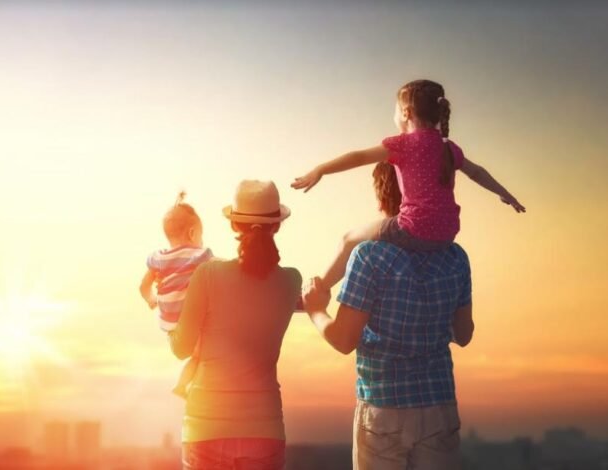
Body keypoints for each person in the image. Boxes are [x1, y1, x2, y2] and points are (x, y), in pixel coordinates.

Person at [301, 163, 473, 469]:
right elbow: (464, 334)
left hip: (383, 406)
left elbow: (343, 340)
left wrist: (315, 310)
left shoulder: (369, 255)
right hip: (440, 405)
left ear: (381, 200)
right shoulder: (455, 256)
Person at [292, 79, 524, 292]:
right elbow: (477, 172)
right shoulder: (448, 147)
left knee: (349, 239)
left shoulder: (403, 144)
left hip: (413, 228)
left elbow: (359, 157)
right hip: (447, 233)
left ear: (406, 112)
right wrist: (505, 194)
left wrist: (320, 169)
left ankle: (317, 290)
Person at [168, 180, 302, 470]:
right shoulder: (292, 281)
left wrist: (168, 319)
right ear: (276, 226)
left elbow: (181, 349)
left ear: (233, 226)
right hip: (264, 430)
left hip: (205, 428)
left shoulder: (207, 275)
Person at [140, 191, 213, 397]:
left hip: (170, 327)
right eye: (201, 234)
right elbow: (221, 267)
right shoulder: (200, 256)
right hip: (190, 324)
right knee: (200, 356)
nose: (202, 240)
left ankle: (182, 385)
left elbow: (143, 286)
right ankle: (182, 385)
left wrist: (151, 299)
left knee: (195, 355)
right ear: (192, 234)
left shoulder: (159, 259)